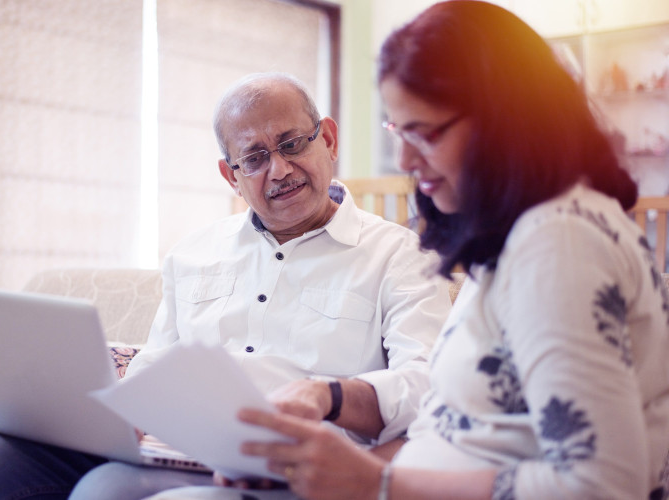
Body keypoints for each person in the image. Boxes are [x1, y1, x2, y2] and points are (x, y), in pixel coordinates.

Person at [145, 2, 669, 499]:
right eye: (397, 129)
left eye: (425, 132)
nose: (402, 159)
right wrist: (332, 402)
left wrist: (374, 485)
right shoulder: (534, 235)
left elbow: (602, 487)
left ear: (507, 118)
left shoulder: (559, 244)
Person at [0, 72, 452, 499]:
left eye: (291, 144)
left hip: (290, 464)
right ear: (230, 175)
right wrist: (115, 417)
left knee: (109, 491)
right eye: (255, 158)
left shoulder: (402, 255)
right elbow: (155, 366)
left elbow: (429, 387)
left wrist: (331, 396)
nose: (279, 169)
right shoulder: (192, 252)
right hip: (169, 446)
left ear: (328, 139)